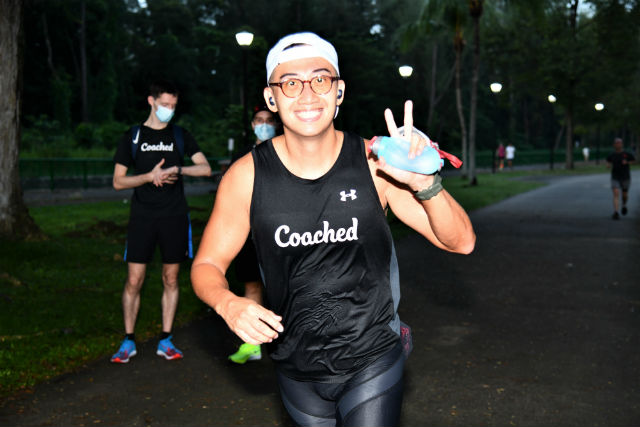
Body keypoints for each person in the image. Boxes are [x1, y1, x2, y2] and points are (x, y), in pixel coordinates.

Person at [191, 32, 475, 427]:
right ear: (272, 98)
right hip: (296, 366)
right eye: (291, 83)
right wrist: (228, 303)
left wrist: (425, 183)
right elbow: (206, 265)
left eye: (320, 80)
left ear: (339, 92)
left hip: (372, 356)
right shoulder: (246, 177)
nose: (307, 94)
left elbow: (461, 241)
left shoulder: (376, 164)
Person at [111, 80, 211, 363]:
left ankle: (166, 339)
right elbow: (118, 181)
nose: (169, 109)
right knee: (134, 280)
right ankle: (128, 340)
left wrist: (178, 169)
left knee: (171, 278)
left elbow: (205, 169)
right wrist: (148, 176)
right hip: (142, 217)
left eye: (173, 106)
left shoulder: (180, 135)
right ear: (151, 101)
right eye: (165, 104)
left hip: (174, 216)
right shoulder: (133, 136)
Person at [227, 106, 277, 364]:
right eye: (259, 120)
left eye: (269, 120)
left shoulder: (286, 152)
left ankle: (294, 340)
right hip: (249, 233)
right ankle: (252, 344)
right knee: (252, 284)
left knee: (285, 286)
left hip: (281, 233)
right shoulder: (242, 157)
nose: (264, 125)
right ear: (252, 124)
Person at [606, 137, 635, 220]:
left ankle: (624, 205)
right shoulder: (612, 155)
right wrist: (608, 165)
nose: (618, 145)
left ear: (622, 144)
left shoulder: (627, 154)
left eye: (619, 143)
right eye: (617, 143)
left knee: (624, 195)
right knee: (616, 193)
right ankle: (616, 212)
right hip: (615, 177)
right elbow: (608, 162)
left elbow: (634, 161)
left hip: (625, 177)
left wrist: (627, 162)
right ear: (614, 145)